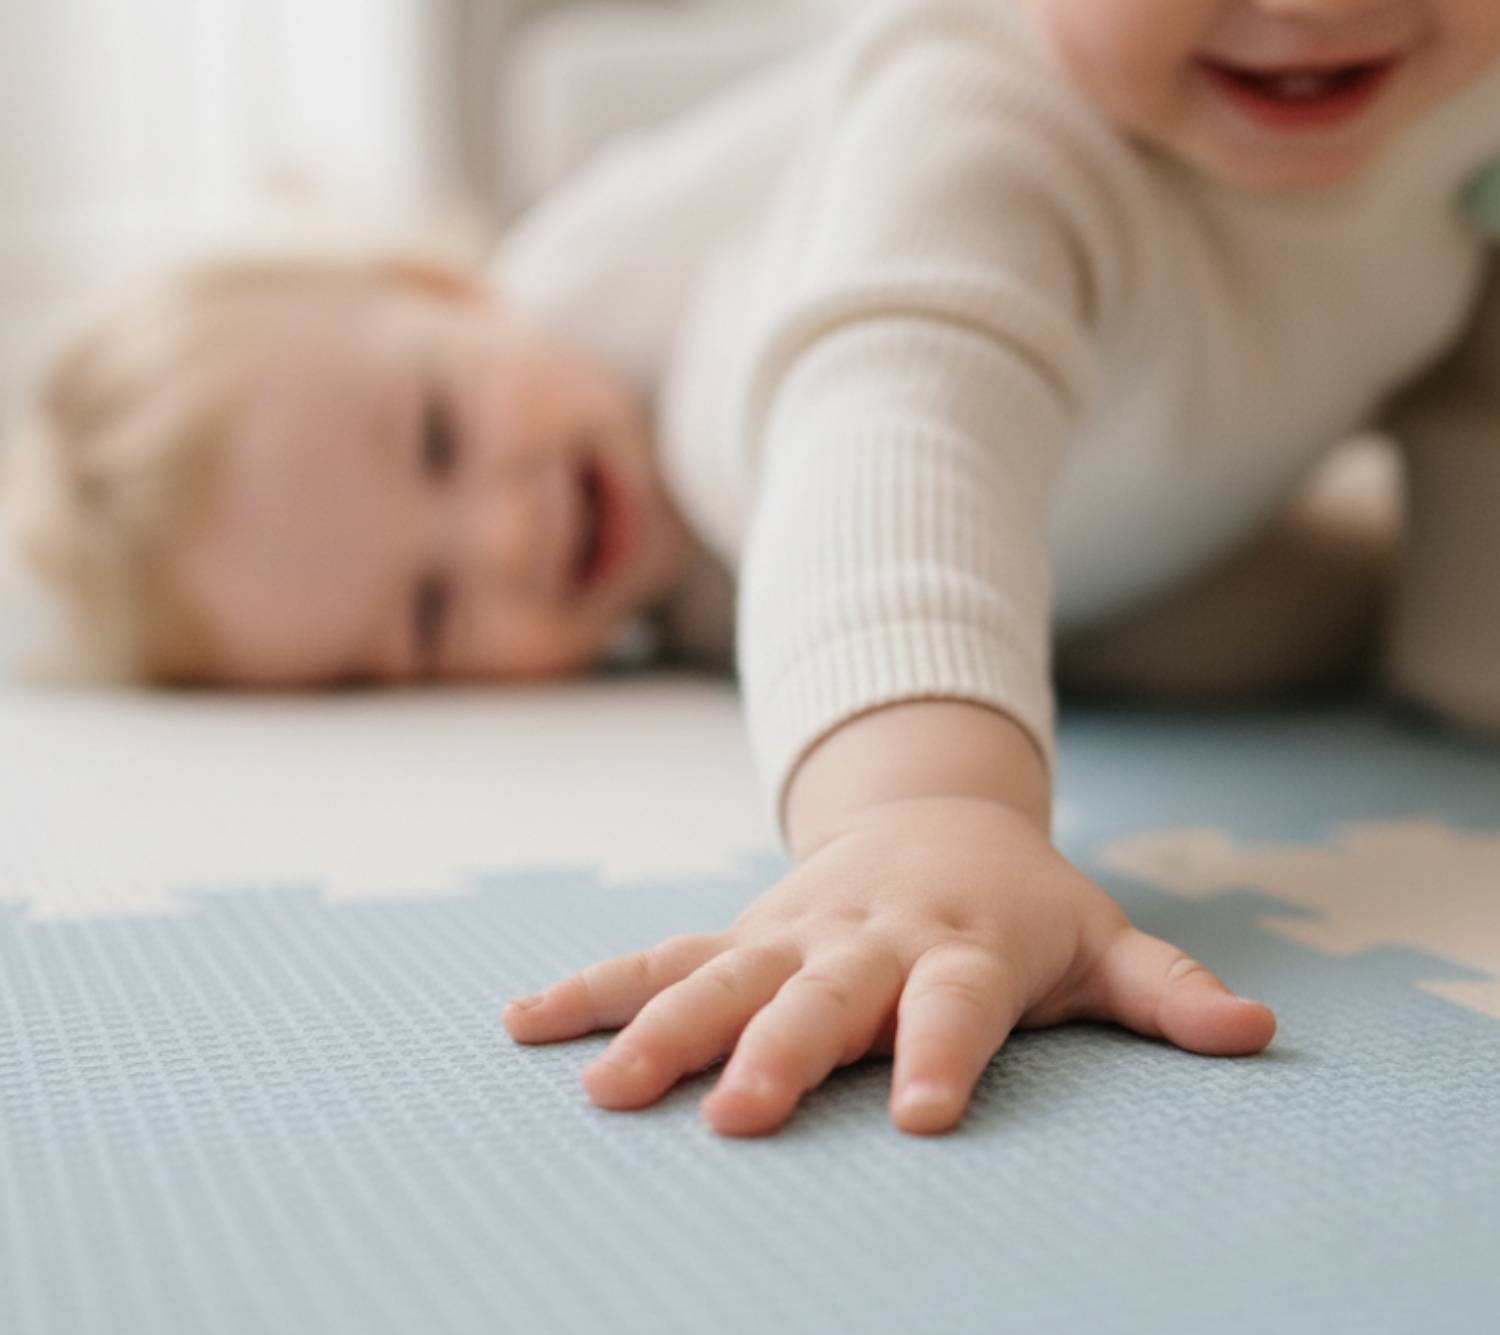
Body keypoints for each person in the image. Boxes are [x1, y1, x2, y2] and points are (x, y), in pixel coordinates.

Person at [5, 0, 1499, 1137]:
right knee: (1352, 636)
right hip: (1165, 506)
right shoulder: (686, 582)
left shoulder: (840, 227)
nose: (509, 531)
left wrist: (921, 820)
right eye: (428, 613)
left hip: (1236, 313)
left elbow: (891, 416)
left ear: (446, 289)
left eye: (443, 433)